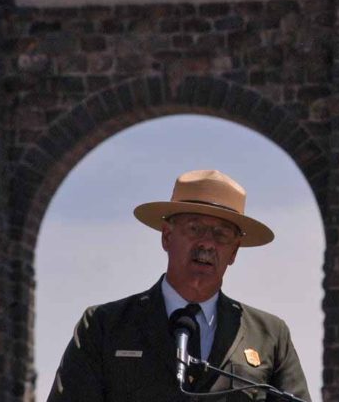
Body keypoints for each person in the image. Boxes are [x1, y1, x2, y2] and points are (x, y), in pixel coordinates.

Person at [46, 169, 312, 402]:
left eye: (221, 234)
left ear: (234, 252)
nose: (207, 243)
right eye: (195, 228)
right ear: (167, 236)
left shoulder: (269, 336)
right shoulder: (105, 326)